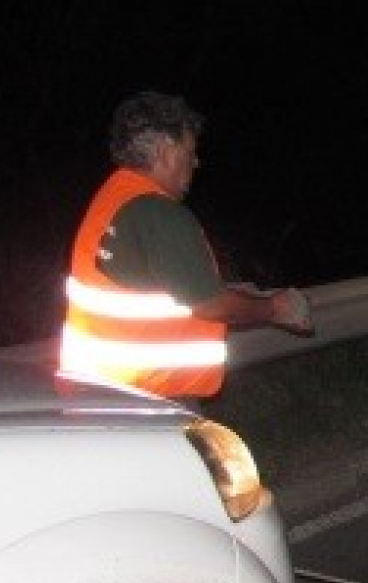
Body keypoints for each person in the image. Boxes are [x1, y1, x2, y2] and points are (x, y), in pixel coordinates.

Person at [58, 90, 312, 402]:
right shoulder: (158, 212)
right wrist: (274, 308)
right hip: (146, 395)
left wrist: (232, 291)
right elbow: (210, 304)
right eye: (189, 150)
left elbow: (150, 285)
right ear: (165, 149)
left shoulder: (112, 197)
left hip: (101, 389)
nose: (196, 161)